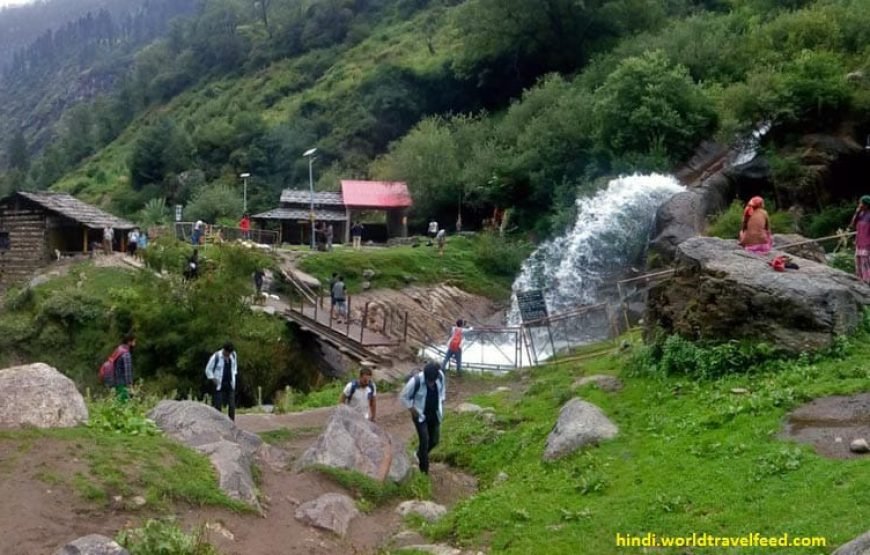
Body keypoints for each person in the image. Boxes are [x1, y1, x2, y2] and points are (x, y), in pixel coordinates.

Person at [400, 362, 445, 474]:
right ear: (425, 376)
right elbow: (404, 396)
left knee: (434, 440)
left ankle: (419, 454)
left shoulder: (440, 376)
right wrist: (411, 408)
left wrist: (442, 400)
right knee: (424, 441)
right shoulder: (415, 381)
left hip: (435, 414)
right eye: (429, 381)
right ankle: (424, 471)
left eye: (433, 381)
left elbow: (442, 390)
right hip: (420, 415)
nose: (431, 384)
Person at [205, 342, 238, 421]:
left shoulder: (233, 355)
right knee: (218, 405)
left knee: (232, 405)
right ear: (224, 350)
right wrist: (213, 379)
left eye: (230, 353)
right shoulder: (216, 357)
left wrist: (234, 374)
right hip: (219, 384)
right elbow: (208, 370)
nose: (228, 355)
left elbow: (234, 366)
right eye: (227, 353)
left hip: (230, 383)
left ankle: (231, 423)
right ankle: (219, 423)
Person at [849, 195, 870, 284]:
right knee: (859, 262)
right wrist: (857, 213)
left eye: (861, 203)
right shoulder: (860, 214)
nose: (859, 205)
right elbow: (852, 225)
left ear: (866, 205)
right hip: (860, 243)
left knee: (866, 263)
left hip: (867, 243)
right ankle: (862, 280)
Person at [112, 333, 136, 402]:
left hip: (116, 382)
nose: (135, 344)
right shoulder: (126, 354)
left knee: (119, 402)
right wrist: (130, 386)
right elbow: (128, 372)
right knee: (124, 403)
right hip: (123, 383)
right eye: (134, 341)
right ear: (129, 342)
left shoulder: (119, 349)